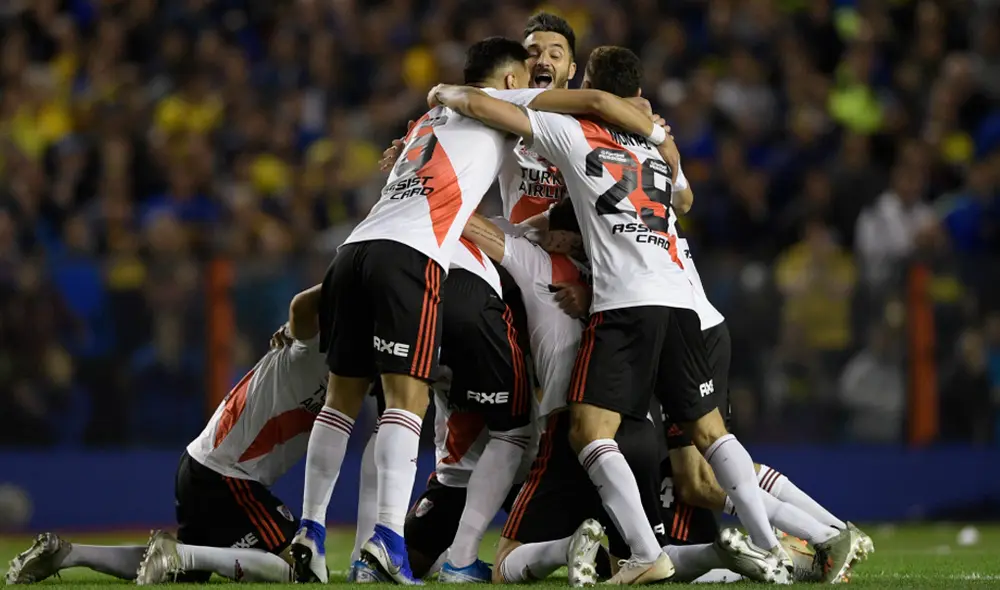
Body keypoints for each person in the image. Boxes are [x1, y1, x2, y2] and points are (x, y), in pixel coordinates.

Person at [291, 35, 673, 585]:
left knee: (339, 405)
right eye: (530, 62)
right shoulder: (499, 102)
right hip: (415, 254)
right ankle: (392, 543)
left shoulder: (426, 123)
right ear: (513, 80)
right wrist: (651, 130)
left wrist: (436, 96)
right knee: (409, 404)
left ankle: (310, 532)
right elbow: (590, 104)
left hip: (353, 250)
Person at [428, 45, 793, 584]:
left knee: (586, 434)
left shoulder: (570, 135)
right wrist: (660, 133)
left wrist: (445, 96)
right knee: (712, 435)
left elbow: (488, 110)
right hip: (680, 302)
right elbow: (684, 200)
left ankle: (643, 554)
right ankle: (773, 546)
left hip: (623, 307)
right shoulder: (653, 145)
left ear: (588, 89)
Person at [4, 287, 328, 585]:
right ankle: (178, 554)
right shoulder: (314, 346)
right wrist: (345, 278)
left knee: (186, 572)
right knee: (301, 569)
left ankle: (67, 553)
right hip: (228, 474)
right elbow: (300, 307)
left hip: (203, 466)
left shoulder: (323, 352)